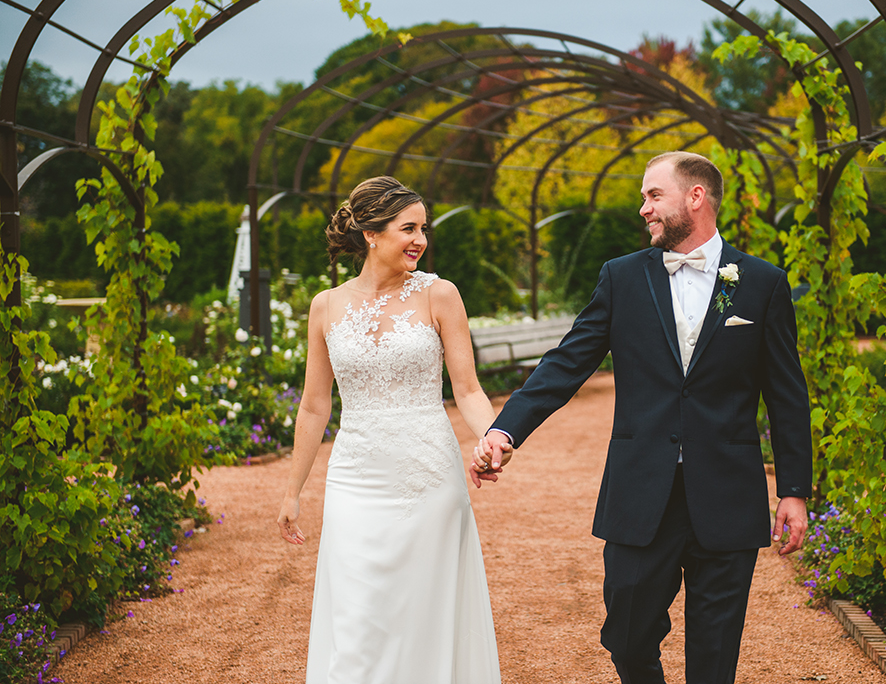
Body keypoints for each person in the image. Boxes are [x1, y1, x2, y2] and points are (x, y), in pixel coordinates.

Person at [472, 151, 812, 684]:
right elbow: (566, 362)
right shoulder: (621, 278)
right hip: (639, 491)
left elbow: (788, 394)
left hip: (727, 494)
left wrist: (793, 489)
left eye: (653, 196)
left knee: (714, 656)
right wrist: (504, 427)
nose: (643, 209)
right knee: (627, 639)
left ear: (694, 197)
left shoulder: (763, 284)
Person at [277, 176, 500, 684]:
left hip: (427, 477)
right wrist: (293, 491)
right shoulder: (325, 305)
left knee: (422, 613)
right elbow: (314, 406)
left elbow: (466, 389)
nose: (420, 239)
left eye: (424, 228)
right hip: (355, 477)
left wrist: (491, 437)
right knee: (358, 617)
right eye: (409, 228)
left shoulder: (439, 295)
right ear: (371, 234)